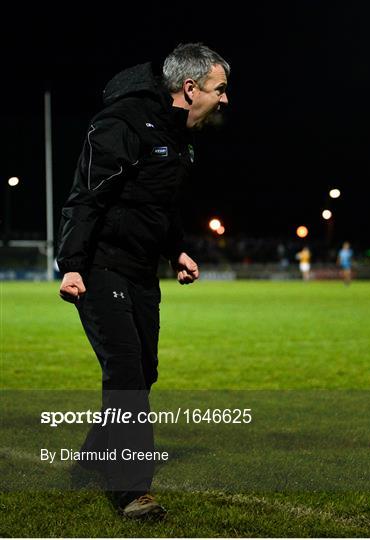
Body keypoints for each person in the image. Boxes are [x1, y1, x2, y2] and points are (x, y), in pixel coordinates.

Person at [56, 43, 230, 519]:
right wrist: (71, 263)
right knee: (127, 374)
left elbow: (155, 206)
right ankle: (131, 491)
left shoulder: (178, 140)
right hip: (97, 266)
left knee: (143, 372)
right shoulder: (125, 122)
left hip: (139, 272)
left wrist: (175, 251)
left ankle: (95, 455)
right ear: (190, 88)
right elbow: (87, 195)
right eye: (221, 89)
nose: (225, 99)